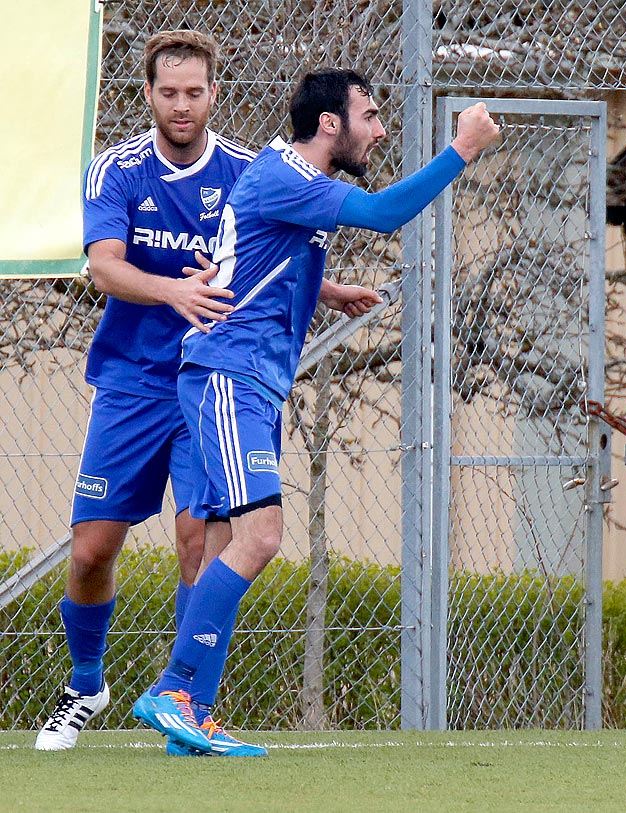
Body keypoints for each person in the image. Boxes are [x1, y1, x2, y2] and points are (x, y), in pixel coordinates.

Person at [129, 69, 499, 757]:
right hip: (228, 374)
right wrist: (463, 149)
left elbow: (257, 253)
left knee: (223, 544)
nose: (379, 129)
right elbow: (386, 213)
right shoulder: (287, 177)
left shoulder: (286, 178)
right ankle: (174, 690)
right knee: (260, 537)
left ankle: (193, 716)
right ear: (330, 124)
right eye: (371, 114)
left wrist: (323, 290)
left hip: (249, 379)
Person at [35, 29, 254, 752]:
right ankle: (87, 681)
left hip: (208, 382)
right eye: (169, 93)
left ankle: (187, 702)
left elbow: (269, 261)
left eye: (195, 92)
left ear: (214, 94)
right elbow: (104, 268)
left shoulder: (247, 174)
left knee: (201, 541)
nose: (182, 105)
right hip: (131, 382)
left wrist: (335, 287)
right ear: (150, 96)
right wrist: (174, 291)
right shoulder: (118, 171)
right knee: (93, 549)